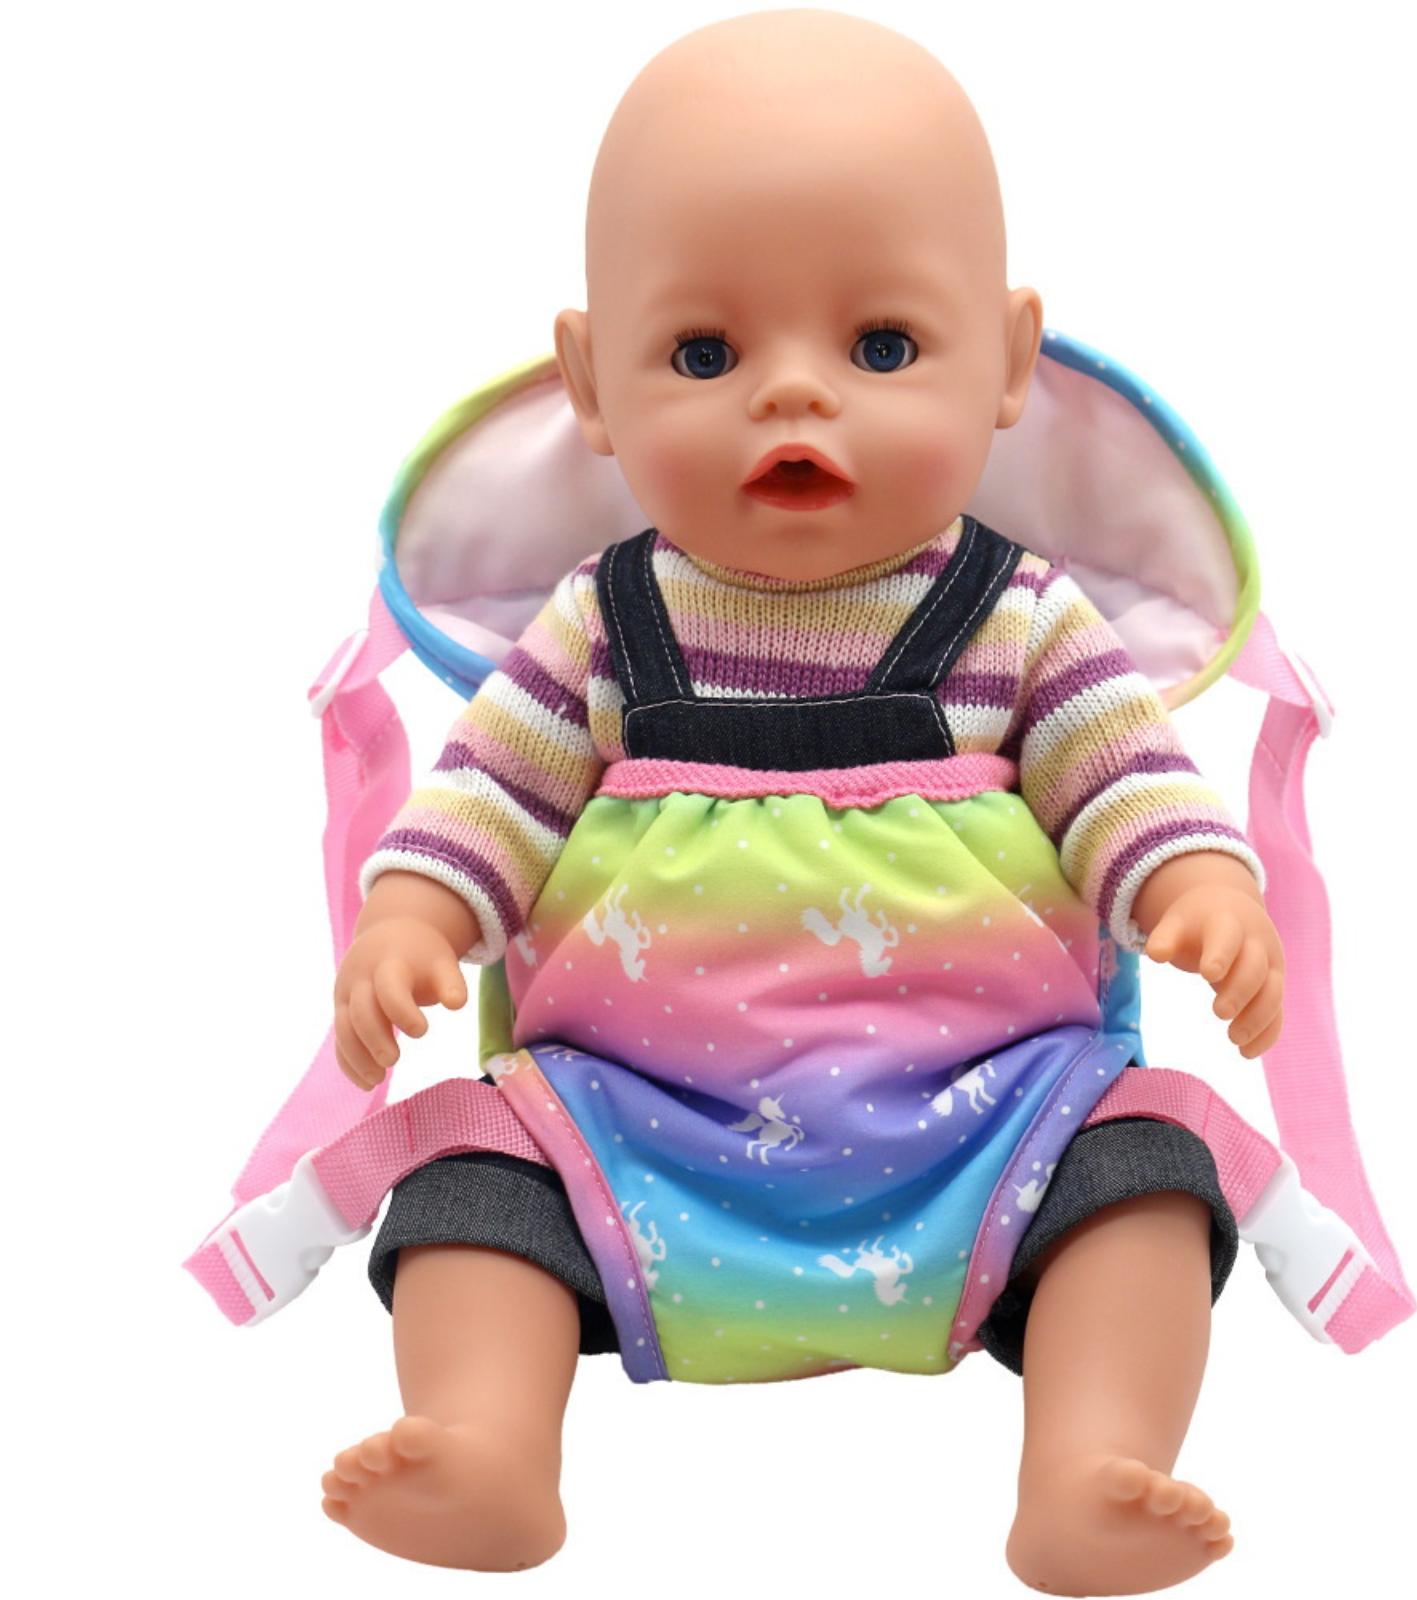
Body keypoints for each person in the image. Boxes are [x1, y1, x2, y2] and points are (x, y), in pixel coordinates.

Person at [318, 11, 1282, 1592]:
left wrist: (1198, 889)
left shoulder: (1022, 620)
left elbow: (1129, 780)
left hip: (994, 1124)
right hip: (629, 1129)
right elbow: (490, 793)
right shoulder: (602, 624)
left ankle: (1090, 1462)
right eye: (705, 355)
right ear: (593, 385)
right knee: (465, 1191)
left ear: (1009, 364)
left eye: (881, 347)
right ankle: (485, 1442)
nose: (791, 398)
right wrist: (413, 917)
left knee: (1152, 1177)